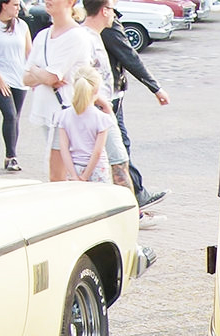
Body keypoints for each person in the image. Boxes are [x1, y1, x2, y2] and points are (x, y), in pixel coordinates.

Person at [82, 0, 168, 212]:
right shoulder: (102, 28)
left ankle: (133, 199)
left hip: (108, 98)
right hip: (105, 102)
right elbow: (129, 56)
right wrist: (155, 87)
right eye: (110, 8)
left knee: (118, 149)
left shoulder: (95, 27)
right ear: (104, 10)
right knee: (118, 152)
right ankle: (132, 204)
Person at [21, 0, 95, 177]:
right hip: (49, 112)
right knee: (57, 171)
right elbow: (25, 79)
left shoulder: (77, 36)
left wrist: (38, 71)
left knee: (59, 173)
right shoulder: (42, 36)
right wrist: (40, 73)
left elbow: (52, 77)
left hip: (68, 112)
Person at [0, 0, 31, 171]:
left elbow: (29, 52)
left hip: (19, 77)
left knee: (16, 117)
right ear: (4, 4)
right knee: (9, 114)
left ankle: (11, 154)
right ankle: (11, 156)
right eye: (15, 4)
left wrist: (33, 74)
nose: (18, 8)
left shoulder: (22, 26)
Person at [54, 63, 112, 183]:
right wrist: (86, 176)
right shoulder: (101, 118)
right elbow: (97, 151)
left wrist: (74, 175)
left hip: (75, 166)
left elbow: (64, 148)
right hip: (97, 168)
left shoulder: (64, 116)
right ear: (96, 90)